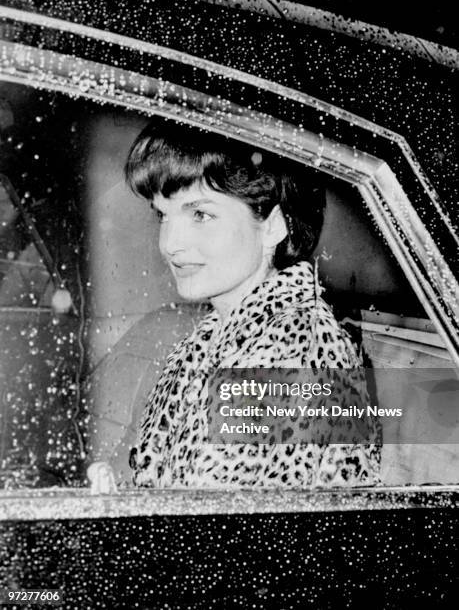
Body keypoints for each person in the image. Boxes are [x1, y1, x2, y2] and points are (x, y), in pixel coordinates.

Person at [125, 120, 380, 488]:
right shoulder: (211, 339)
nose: (170, 243)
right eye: (163, 214)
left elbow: (227, 531)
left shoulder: (294, 349)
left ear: (274, 226)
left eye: (201, 214)